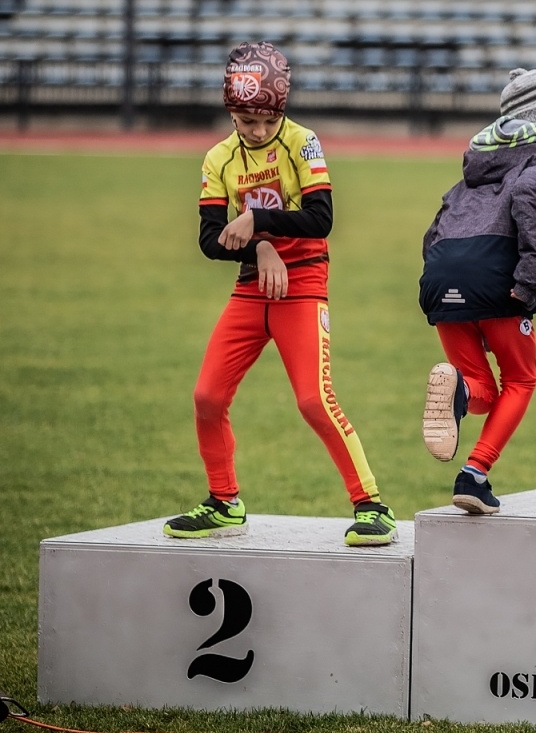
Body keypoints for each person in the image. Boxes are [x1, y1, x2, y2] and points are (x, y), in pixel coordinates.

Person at [166, 42, 394, 546]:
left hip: (304, 284)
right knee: (207, 396)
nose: (258, 131)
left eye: (268, 120)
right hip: (252, 288)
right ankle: (224, 503)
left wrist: (258, 222)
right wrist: (260, 250)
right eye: (247, 120)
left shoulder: (302, 142)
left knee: (314, 400)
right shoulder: (218, 159)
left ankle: (372, 506)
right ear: (231, 110)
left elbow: (321, 219)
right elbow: (209, 240)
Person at [419, 68, 536, 515]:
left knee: (482, 390)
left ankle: (458, 393)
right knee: (521, 379)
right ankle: (474, 474)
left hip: (442, 278)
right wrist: (528, 287)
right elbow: (532, 200)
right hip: (496, 277)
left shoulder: (478, 164)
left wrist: (434, 283)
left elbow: (437, 223)